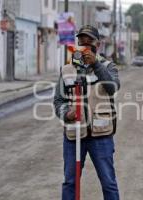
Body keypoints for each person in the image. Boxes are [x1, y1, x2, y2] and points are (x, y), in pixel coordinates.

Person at [53, 25, 120, 200]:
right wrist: (66, 113)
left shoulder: (108, 66)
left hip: (102, 135)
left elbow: (112, 88)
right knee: (70, 182)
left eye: (89, 41)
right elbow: (58, 101)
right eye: (81, 41)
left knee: (108, 182)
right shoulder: (67, 70)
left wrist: (96, 64)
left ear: (98, 45)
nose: (85, 45)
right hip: (74, 134)